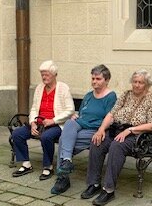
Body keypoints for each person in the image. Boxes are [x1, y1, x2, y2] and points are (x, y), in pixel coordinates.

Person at [81, 69, 152, 206]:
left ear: (147, 84)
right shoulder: (126, 95)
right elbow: (111, 114)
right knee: (97, 141)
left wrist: (130, 130)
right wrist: (101, 129)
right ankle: (93, 184)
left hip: (140, 136)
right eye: (134, 82)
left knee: (116, 146)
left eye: (140, 82)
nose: (136, 85)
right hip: (118, 130)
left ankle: (108, 189)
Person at [50, 64, 117, 195]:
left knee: (64, 140)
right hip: (80, 125)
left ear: (107, 80)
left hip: (96, 130)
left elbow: (110, 117)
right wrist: (75, 116)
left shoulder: (111, 96)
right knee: (69, 123)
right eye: (93, 78)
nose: (94, 81)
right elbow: (81, 114)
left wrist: (101, 129)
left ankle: (63, 177)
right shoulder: (88, 96)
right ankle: (67, 161)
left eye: (98, 79)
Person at [11, 60, 74, 180]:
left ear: (54, 75)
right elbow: (34, 108)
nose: (44, 77)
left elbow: (70, 110)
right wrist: (32, 123)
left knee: (46, 137)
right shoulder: (39, 88)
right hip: (39, 123)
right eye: (42, 74)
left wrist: (53, 120)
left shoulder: (63, 88)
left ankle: (48, 166)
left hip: (57, 125)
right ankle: (26, 164)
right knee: (17, 134)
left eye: (47, 74)